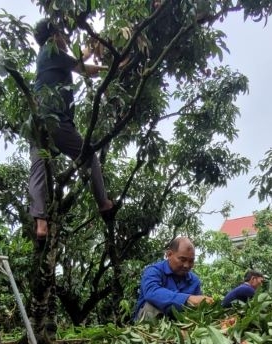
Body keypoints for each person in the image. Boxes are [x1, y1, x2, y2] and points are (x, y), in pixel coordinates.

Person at [29, 18, 116, 242]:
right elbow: (83, 66)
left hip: (37, 123)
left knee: (38, 170)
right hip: (55, 121)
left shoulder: (48, 57)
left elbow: (80, 61)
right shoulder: (52, 51)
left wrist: (94, 49)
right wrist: (115, 66)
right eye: (62, 34)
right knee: (89, 156)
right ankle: (104, 204)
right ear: (53, 36)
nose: (66, 39)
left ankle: (40, 224)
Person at [134, 237, 214, 321]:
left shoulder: (194, 280)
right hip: (148, 325)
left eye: (191, 261)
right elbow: (152, 292)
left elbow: (197, 306)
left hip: (178, 326)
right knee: (151, 306)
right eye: (182, 260)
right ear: (169, 255)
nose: (186, 265)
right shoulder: (153, 271)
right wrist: (187, 299)